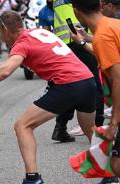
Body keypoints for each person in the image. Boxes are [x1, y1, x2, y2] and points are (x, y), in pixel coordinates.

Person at [0, 10, 96, 183]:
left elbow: (5, 71)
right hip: (87, 80)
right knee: (89, 129)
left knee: (22, 126)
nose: (0, 36)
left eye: (0, 32)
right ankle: (108, 170)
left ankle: (32, 178)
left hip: (67, 84)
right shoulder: (41, 32)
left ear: (4, 30)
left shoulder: (21, 44)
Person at [71, 0, 120, 179]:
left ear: (76, 11)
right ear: (100, 4)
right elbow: (108, 54)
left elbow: (118, 77)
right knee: (115, 163)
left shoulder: (103, 35)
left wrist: (113, 123)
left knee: (116, 164)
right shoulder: (113, 25)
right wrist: (84, 41)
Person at [51, 0, 104, 143]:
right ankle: (97, 125)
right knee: (93, 83)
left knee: (70, 84)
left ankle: (60, 127)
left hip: (63, 45)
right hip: (81, 38)